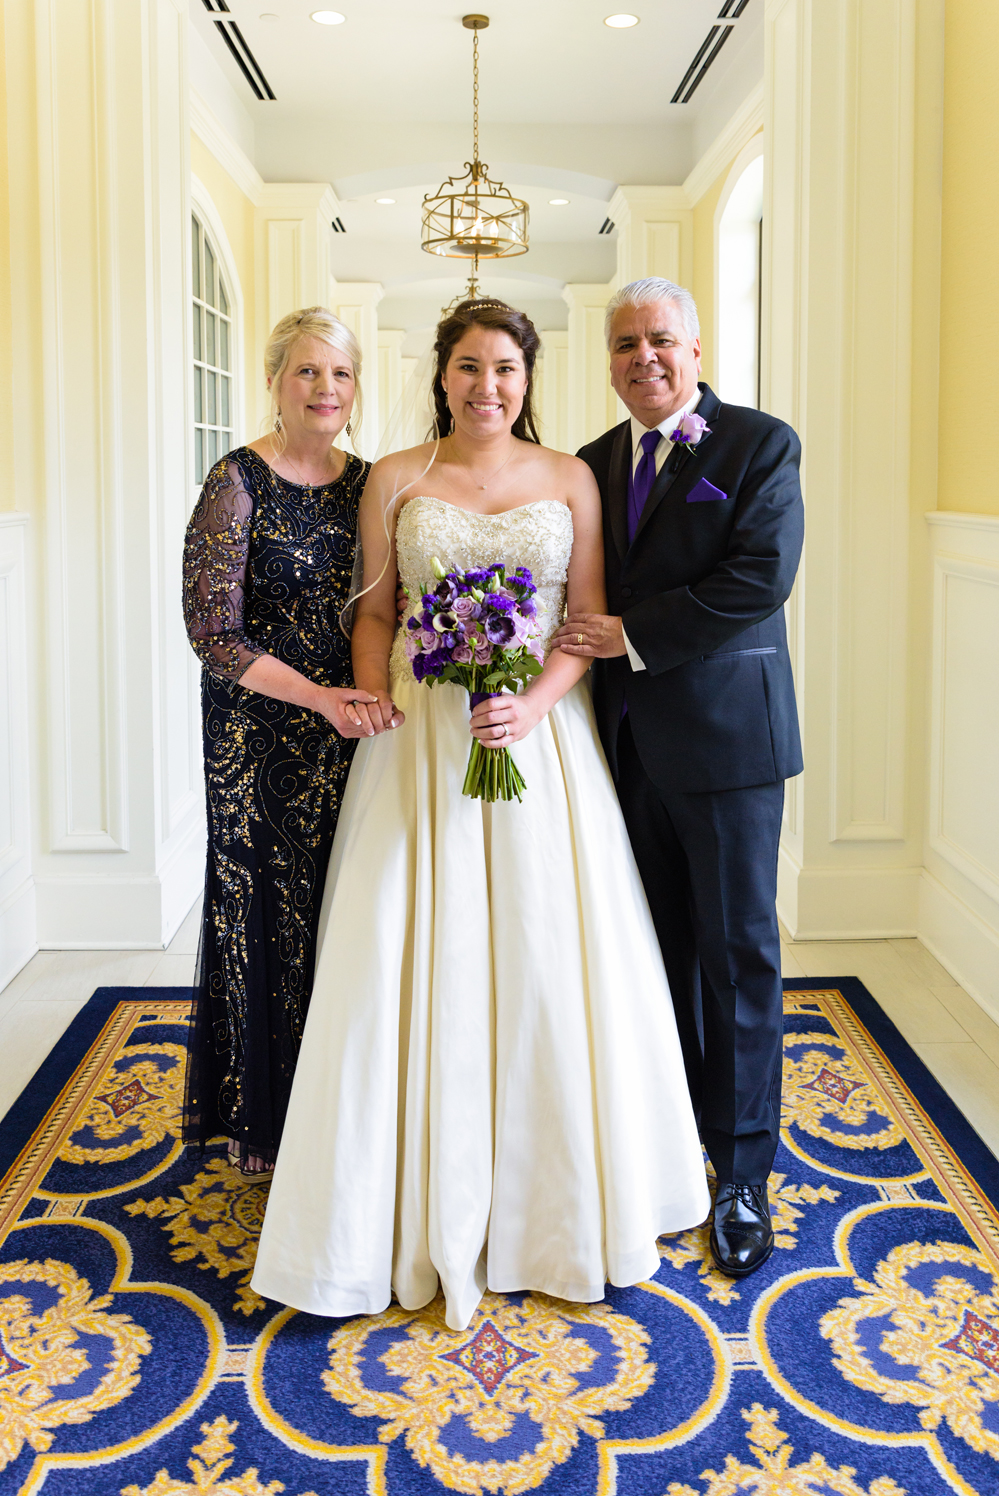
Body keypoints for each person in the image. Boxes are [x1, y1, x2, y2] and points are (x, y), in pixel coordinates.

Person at [250, 298, 709, 1330]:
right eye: (467, 366)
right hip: (418, 743)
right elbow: (376, 613)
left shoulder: (571, 479)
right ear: (441, 373)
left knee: (550, 962)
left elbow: (582, 624)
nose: (486, 384)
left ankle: (555, 1208)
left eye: (505, 366)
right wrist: (380, 696)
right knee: (398, 960)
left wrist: (530, 702)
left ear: (529, 375)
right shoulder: (394, 477)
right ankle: (385, 1211)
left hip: (534, 744)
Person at [550, 277, 803, 1278]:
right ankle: (663, 1143)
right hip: (620, 742)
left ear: (695, 347)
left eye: (659, 340)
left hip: (730, 744)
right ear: (607, 359)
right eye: (624, 344)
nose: (642, 358)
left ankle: (741, 1172)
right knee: (651, 953)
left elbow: (759, 576)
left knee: (736, 955)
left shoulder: (757, 444)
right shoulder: (589, 462)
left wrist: (633, 635)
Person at [181, 307, 385, 1179]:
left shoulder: (371, 482)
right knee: (265, 912)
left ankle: (340, 1107)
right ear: (274, 381)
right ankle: (260, 1119)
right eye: (307, 372)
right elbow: (212, 633)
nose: (324, 390)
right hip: (257, 733)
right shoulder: (237, 481)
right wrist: (316, 699)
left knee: (344, 911)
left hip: (355, 733)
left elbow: (390, 604)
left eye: (339, 374)